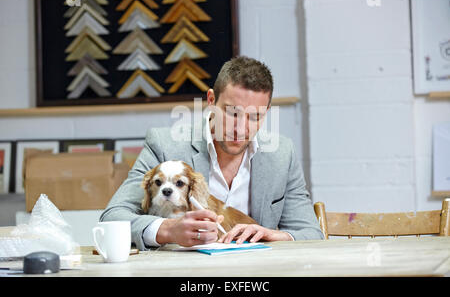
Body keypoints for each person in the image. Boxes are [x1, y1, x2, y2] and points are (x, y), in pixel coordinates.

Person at [100, 56, 324, 250]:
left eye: (255, 116)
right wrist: (168, 230)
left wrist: (276, 235)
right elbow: (113, 216)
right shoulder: (164, 144)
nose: (241, 129)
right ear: (210, 101)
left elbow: (311, 232)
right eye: (232, 113)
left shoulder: (282, 154)